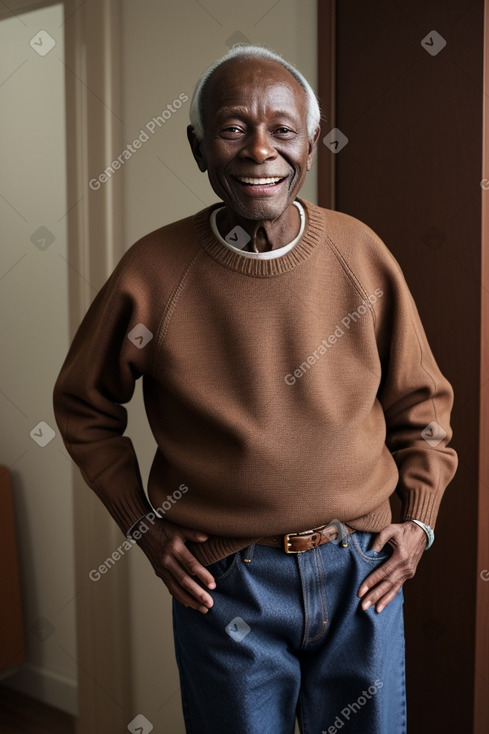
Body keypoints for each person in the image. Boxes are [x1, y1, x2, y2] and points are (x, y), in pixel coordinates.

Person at [53, 44, 457, 734]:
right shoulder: (152, 271)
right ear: (197, 148)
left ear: (308, 146)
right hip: (227, 584)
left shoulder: (359, 252)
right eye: (233, 128)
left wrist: (418, 521)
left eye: (282, 130)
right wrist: (143, 526)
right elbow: (84, 408)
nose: (257, 150)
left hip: (360, 568)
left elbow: (422, 405)